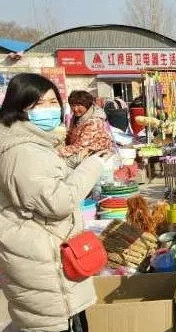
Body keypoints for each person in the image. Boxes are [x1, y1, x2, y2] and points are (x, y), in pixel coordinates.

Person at [0, 73, 110, 332]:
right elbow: (57, 202)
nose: (49, 109)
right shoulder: (22, 151)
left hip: (44, 257)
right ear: (19, 107)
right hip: (45, 264)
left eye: (53, 102)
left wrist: (76, 163)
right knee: (55, 325)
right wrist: (93, 166)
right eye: (39, 104)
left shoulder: (29, 142)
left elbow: (44, 182)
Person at [58, 90, 112, 168]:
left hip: (94, 153)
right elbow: (70, 135)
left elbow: (81, 145)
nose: (75, 109)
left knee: (62, 164)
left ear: (87, 105)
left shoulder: (93, 121)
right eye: (73, 105)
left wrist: (59, 151)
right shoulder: (77, 117)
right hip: (79, 150)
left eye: (79, 105)